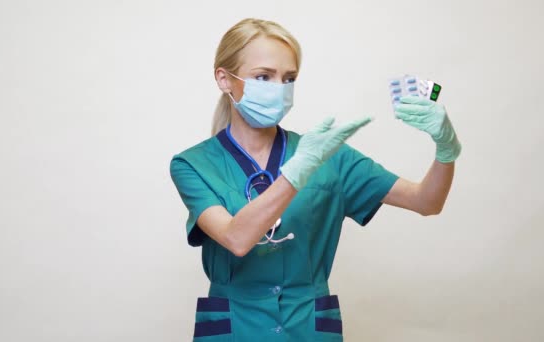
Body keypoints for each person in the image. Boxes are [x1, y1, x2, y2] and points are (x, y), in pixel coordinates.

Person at [169, 18, 461, 341]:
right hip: (236, 328)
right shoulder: (192, 165)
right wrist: (297, 171)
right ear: (224, 79)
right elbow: (236, 238)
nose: (278, 88)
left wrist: (446, 150)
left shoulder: (329, 156)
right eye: (263, 76)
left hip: (308, 327)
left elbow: (427, 201)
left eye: (288, 78)